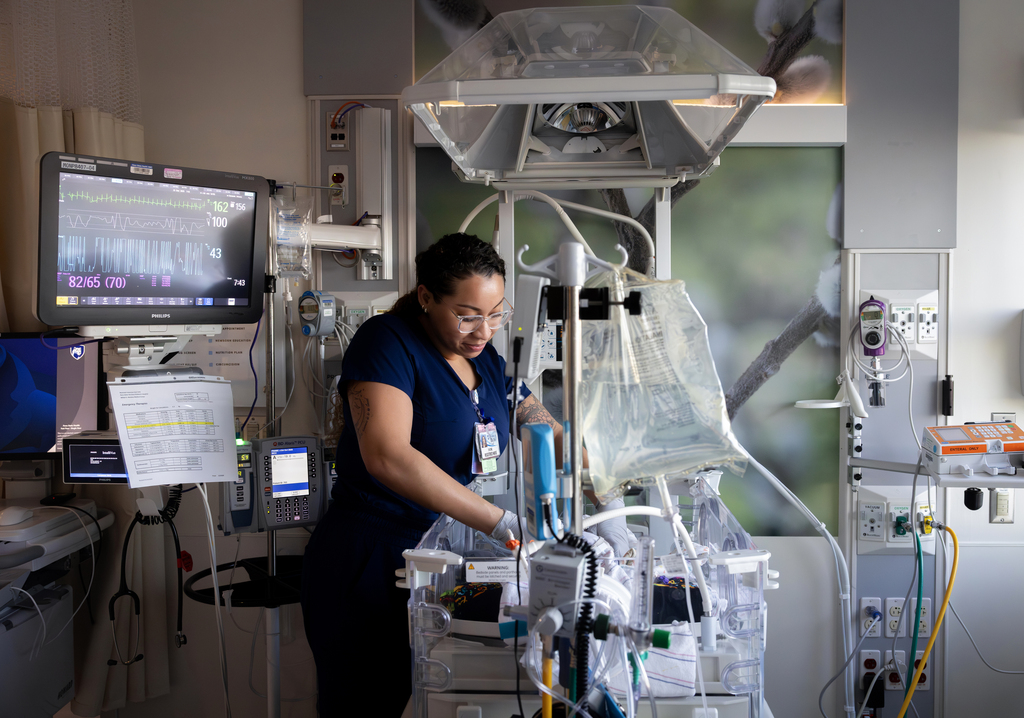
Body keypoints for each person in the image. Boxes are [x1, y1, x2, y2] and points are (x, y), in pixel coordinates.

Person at [300, 233, 568, 717]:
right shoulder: (387, 343)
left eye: (495, 313)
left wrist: (606, 472)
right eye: (466, 314)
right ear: (426, 298)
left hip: (439, 555)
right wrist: (499, 522)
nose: (483, 329)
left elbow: (543, 427)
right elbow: (387, 454)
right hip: (371, 558)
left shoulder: (485, 359)